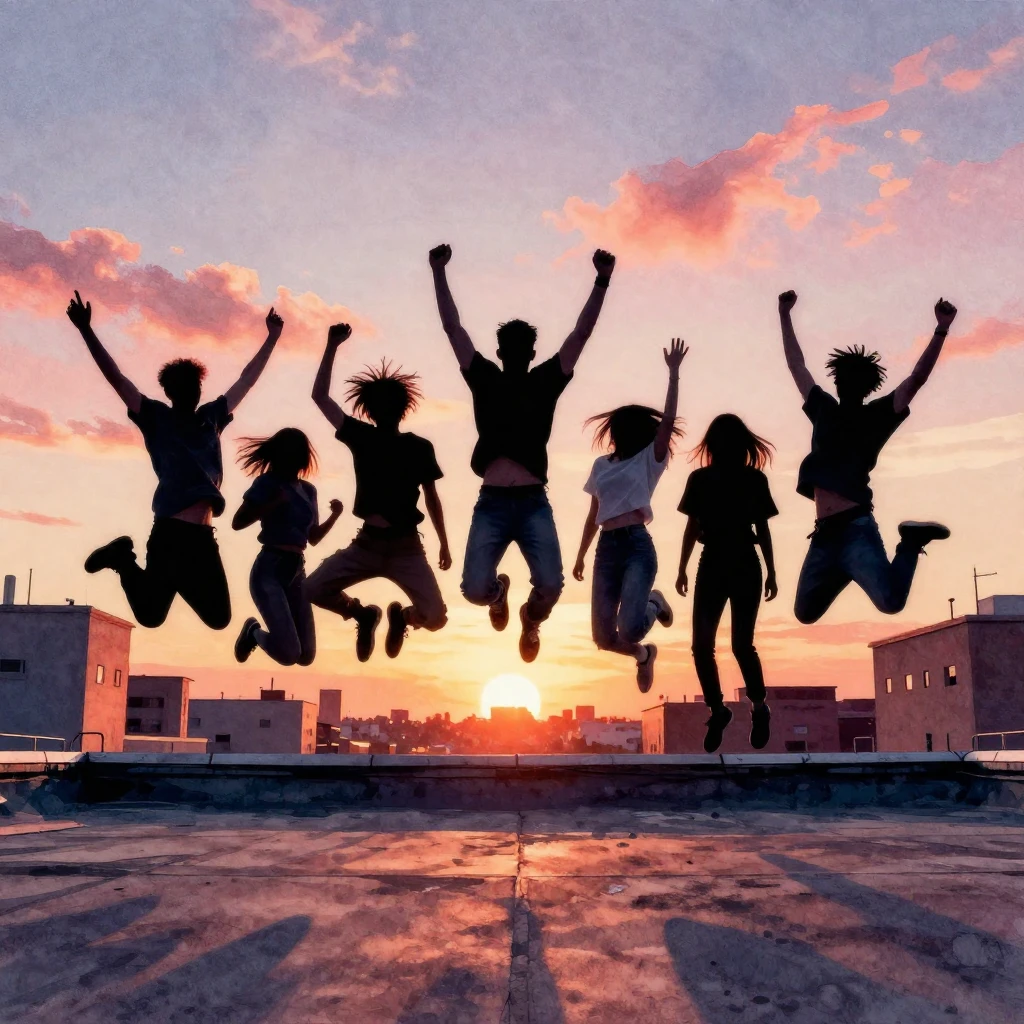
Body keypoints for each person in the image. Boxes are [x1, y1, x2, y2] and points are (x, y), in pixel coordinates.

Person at [430, 242, 616, 662]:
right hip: (492, 502)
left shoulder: (546, 380)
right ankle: (499, 596)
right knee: (473, 590)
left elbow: (581, 334)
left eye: (521, 350)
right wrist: (438, 271)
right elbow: (452, 329)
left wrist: (602, 281)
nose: (515, 355)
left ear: (531, 354)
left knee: (551, 585)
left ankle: (530, 620)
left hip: (533, 502)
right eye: (509, 350)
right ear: (500, 354)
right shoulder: (485, 378)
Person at [69, 290, 283, 629]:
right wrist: (85, 330)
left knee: (219, 618)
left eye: (196, 385)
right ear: (171, 393)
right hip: (169, 534)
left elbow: (246, 379)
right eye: (185, 387)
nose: (193, 391)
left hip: (202, 539)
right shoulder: (155, 417)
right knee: (151, 617)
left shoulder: (211, 418)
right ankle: (122, 560)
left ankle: (163, 576)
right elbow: (117, 379)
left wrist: (271, 338)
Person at [779, 291, 958, 625]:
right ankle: (852, 568)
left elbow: (916, 380)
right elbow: (796, 365)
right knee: (805, 613)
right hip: (824, 535)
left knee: (890, 602)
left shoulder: (876, 416)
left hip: (855, 529)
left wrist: (941, 330)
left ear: (855, 385)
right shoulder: (824, 410)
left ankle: (910, 542)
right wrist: (784, 314)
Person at [306, 323, 450, 662]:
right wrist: (331, 346)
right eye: (378, 407)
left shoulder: (418, 447)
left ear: (400, 410)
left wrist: (443, 541)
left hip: (406, 548)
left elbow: (431, 497)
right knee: (311, 588)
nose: (383, 412)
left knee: (436, 618)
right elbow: (320, 398)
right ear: (370, 411)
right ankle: (362, 614)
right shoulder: (361, 436)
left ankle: (403, 617)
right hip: (366, 545)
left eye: (390, 406)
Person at [572, 340, 686, 692]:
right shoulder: (601, 466)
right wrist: (580, 555)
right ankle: (643, 656)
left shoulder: (648, 460)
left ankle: (655, 601)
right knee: (603, 638)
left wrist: (673, 373)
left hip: (636, 545)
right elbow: (594, 513)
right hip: (606, 549)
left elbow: (667, 422)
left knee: (631, 627)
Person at [676, 415, 779, 752]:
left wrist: (772, 570)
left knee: (739, 645)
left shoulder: (753, 479)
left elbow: (762, 528)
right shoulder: (701, 479)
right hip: (719, 563)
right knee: (702, 645)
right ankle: (718, 710)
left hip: (741, 563)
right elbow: (692, 526)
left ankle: (759, 707)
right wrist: (682, 568)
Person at [231, 429, 343, 666]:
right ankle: (253, 632)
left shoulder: (308, 490)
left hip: (297, 571)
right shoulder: (267, 483)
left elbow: (313, 537)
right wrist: (272, 504)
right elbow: (237, 522)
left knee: (306, 656)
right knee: (289, 653)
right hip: (269, 569)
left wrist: (335, 516)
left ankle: (255, 634)